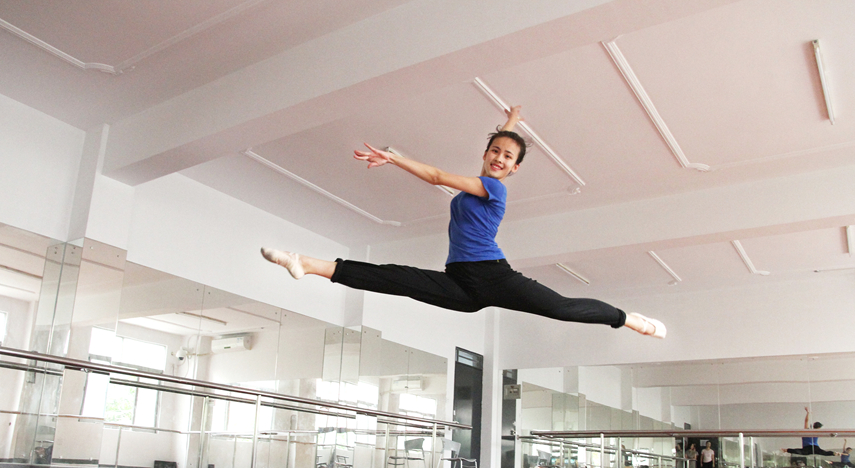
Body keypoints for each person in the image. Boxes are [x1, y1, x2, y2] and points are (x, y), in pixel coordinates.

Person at [261, 106, 665, 338]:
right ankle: (305, 263)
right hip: (460, 281)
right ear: (486, 153)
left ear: (515, 169)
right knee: (396, 279)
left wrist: (394, 158)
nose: (500, 158)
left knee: (561, 308)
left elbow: (438, 176)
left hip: (493, 275)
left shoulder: (494, 188)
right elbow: (501, 145)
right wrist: (511, 122)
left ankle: (629, 319)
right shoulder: (486, 175)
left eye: (508, 157)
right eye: (495, 151)